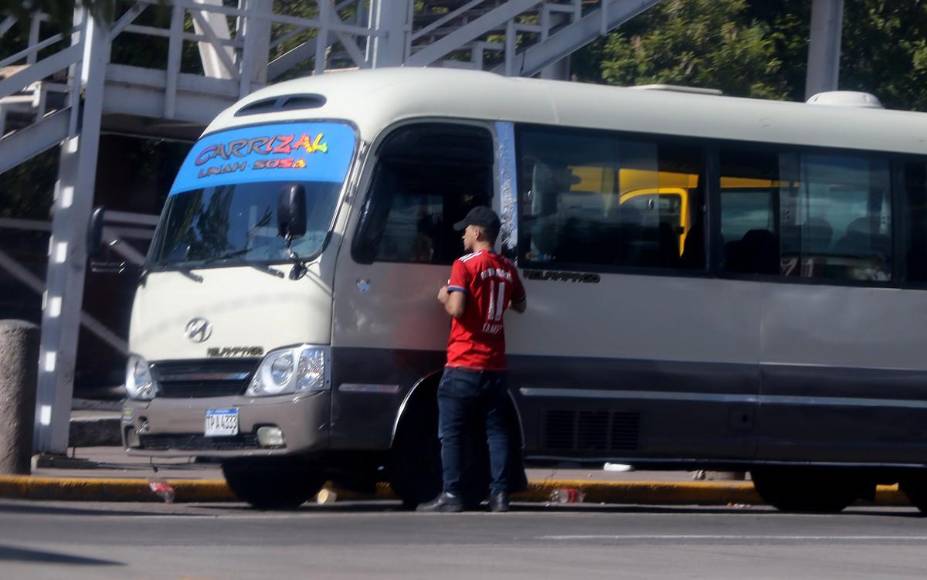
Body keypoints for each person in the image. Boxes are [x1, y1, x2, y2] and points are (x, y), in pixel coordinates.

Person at [417, 206, 527, 513]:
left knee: (451, 433)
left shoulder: (463, 265)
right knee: (497, 431)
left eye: (466, 230)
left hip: (463, 362)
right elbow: (521, 304)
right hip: (495, 365)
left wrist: (443, 295)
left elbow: (456, 308)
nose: (463, 234)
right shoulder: (507, 268)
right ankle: (500, 495)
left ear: (478, 233)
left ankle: (452, 494)